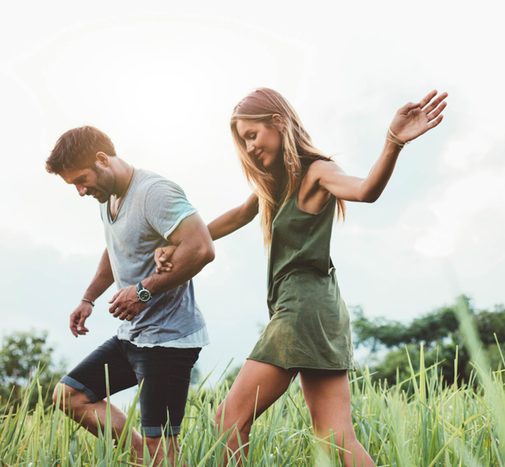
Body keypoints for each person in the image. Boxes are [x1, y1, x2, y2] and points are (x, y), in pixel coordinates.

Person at [156, 88, 447, 465]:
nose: (249, 148)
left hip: (302, 309)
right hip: (321, 310)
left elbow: (365, 190)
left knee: (229, 419)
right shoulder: (276, 184)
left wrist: (392, 142)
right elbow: (235, 217)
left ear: (277, 123)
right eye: (243, 142)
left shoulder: (317, 172)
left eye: (252, 136)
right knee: (336, 438)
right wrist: (178, 242)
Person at [46, 126, 215, 465]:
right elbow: (115, 249)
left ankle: (156, 460)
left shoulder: (155, 192)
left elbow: (201, 248)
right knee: (69, 396)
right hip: (133, 337)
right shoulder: (106, 196)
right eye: (74, 185)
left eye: (81, 180)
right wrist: (88, 298)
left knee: (162, 448)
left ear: (102, 159)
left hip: (168, 340)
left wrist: (142, 291)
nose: (80, 191)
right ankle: (147, 460)